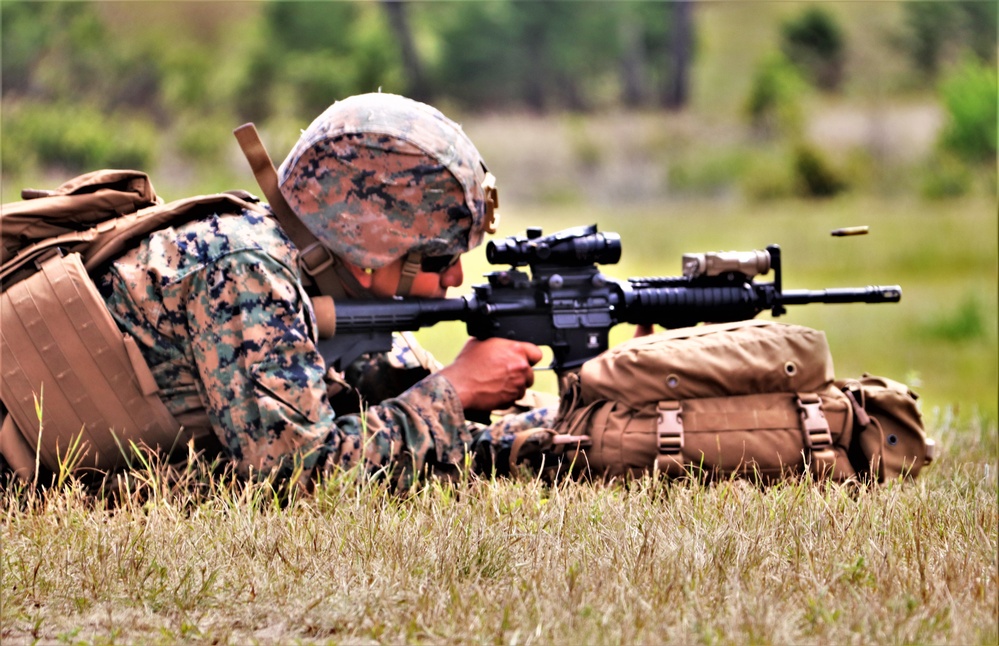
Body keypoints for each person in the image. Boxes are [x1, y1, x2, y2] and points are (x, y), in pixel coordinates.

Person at [95, 92, 556, 487]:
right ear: (367, 249)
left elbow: (376, 412)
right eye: (439, 259)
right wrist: (455, 390)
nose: (455, 279)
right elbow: (296, 472)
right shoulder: (247, 271)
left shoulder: (310, 272)